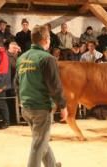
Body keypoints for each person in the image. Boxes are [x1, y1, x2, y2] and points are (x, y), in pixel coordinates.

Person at [15, 25, 67, 167]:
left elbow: (17, 83)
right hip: (41, 108)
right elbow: (55, 86)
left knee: (41, 139)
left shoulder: (22, 58)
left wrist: (22, 101)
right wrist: (63, 106)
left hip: (26, 108)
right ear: (45, 40)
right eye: (49, 38)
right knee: (39, 143)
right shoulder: (47, 59)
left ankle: (52, 165)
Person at [6, 42, 21, 125]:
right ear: (10, 48)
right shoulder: (7, 56)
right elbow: (14, 67)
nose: (16, 50)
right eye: (14, 48)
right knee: (11, 101)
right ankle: (12, 119)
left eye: (17, 48)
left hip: (16, 82)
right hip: (10, 82)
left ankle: (15, 119)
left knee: (15, 101)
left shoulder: (16, 55)